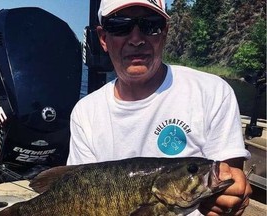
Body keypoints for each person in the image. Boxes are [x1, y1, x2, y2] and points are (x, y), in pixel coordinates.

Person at [67, 0, 252, 215]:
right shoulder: (85, 112)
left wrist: (231, 197)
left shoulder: (212, 92)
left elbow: (228, 177)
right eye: (120, 26)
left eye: (150, 25)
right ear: (103, 38)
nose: (136, 39)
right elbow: (74, 189)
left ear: (164, 33)